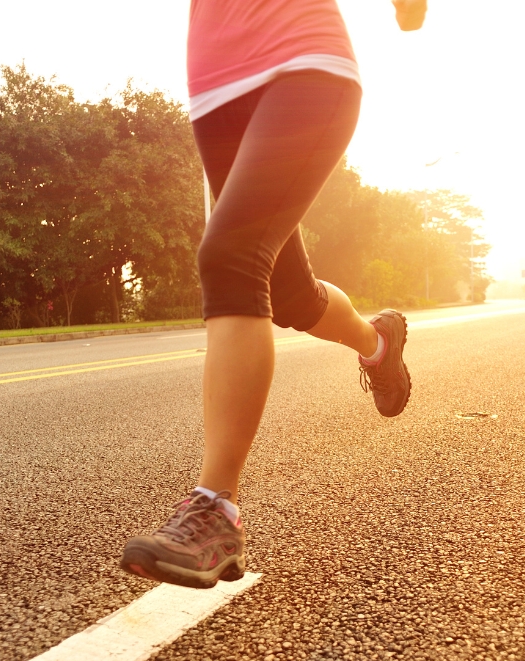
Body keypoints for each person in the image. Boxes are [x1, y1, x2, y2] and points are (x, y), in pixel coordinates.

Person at [120, 0, 428, 589]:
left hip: (304, 66)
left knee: (230, 255)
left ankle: (216, 511)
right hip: (215, 91)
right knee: (286, 295)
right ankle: (377, 341)